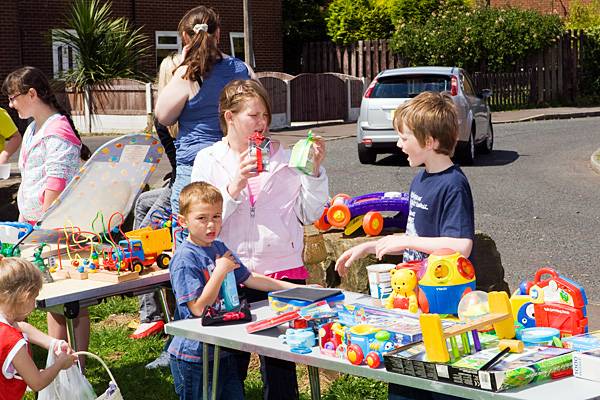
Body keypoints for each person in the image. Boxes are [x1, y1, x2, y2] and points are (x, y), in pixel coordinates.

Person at [191, 79, 328, 400]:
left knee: (281, 371)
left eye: (265, 115)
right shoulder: (208, 160)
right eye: (253, 116)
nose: (262, 123)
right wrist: (236, 185)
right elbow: (203, 224)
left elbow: (308, 213)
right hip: (230, 275)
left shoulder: (286, 157)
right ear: (229, 117)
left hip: (282, 272)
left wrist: (314, 173)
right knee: (229, 369)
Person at [335, 91, 474, 400]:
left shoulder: (453, 184)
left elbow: (461, 246)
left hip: (441, 309)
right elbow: (413, 238)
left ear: (430, 141)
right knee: (402, 379)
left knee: (438, 385)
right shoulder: (422, 178)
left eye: (404, 136)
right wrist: (370, 247)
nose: (399, 143)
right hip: (414, 303)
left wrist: (408, 241)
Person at [168, 181, 301, 400]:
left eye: (216, 216)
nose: (211, 225)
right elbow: (199, 309)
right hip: (194, 357)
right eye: (202, 218)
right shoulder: (185, 259)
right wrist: (220, 271)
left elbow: (250, 278)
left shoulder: (218, 247)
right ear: (183, 221)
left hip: (222, 351)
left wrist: (296, 289)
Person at [2, 66, 92, 363]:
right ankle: (59, 354)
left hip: (56, 227)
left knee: (69, 297)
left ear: (32, 94)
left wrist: (42, 224)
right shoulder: (32, 129)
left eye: (14, 98)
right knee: (52, 296)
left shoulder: (58, 130)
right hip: (36, 226)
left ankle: (76, 359)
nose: (11, 105)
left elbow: (57, 180)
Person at [155, 5, 253, 247]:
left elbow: (163, 116)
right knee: (232, 243)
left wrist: (183, 69)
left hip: (193, 171)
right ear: (218, 34)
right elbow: (258, 114)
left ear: (185, 38)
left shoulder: (188, 73)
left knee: (191, 248)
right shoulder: (240, 70)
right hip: (234, 167)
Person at [130, 53, 181, 344]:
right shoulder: (166, 117)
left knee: (144, 236)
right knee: (142, 203)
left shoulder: (184, 111)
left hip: (182, 185)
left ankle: (151, 315)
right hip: (176, 182)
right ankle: (150, 311)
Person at [0, 256, 78, 399]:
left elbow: (22, 327)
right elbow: (37, 382)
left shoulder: (5, 323)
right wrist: (60, 364)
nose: (35, 304)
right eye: (34, 298)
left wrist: (53, 343)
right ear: (25, 297)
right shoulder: (12, 342)